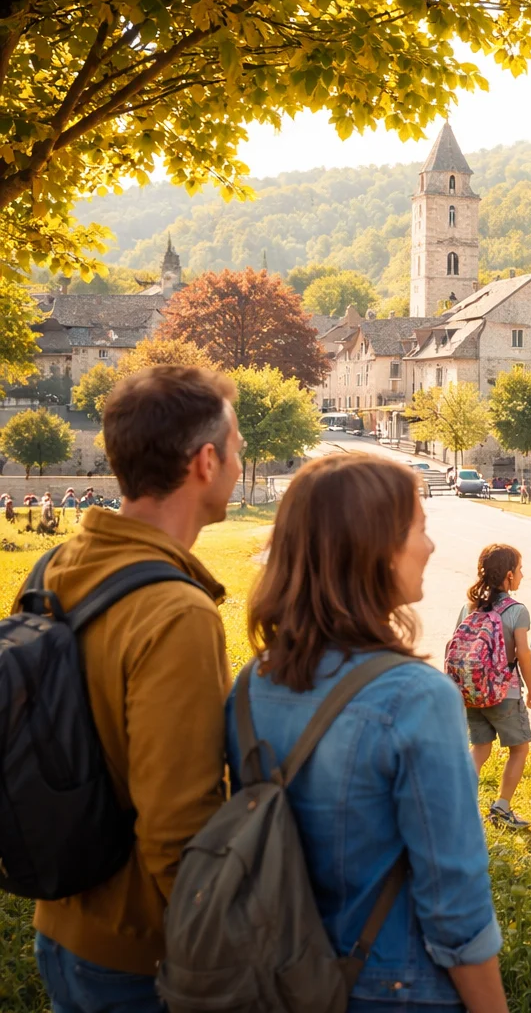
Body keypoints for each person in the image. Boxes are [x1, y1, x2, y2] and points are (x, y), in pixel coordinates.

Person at [232, 452, 508, 1011]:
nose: (429, 546)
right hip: (395, 983)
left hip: (276, 972)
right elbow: (454, 899)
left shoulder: (250, 683)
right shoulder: (415, 696)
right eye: (419, 529)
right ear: (373, 548)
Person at [27, 365, 242, 1010]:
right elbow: (179, 826)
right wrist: (235, 950)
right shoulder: (176, 612)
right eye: (236, 450)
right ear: (206, 461)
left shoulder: (60, 563)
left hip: (61, 921)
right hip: (136, 956)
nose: (239, 463)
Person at [456, 544, 531, 829]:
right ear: (507, 575)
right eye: (519, 570)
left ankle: (459, 807)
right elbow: (523, 655)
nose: (522, 575)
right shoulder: (517, 611)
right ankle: (502, 808)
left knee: (479, 747)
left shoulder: (469, 606)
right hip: (505, 692)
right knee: (520, 747)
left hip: (471, 691)